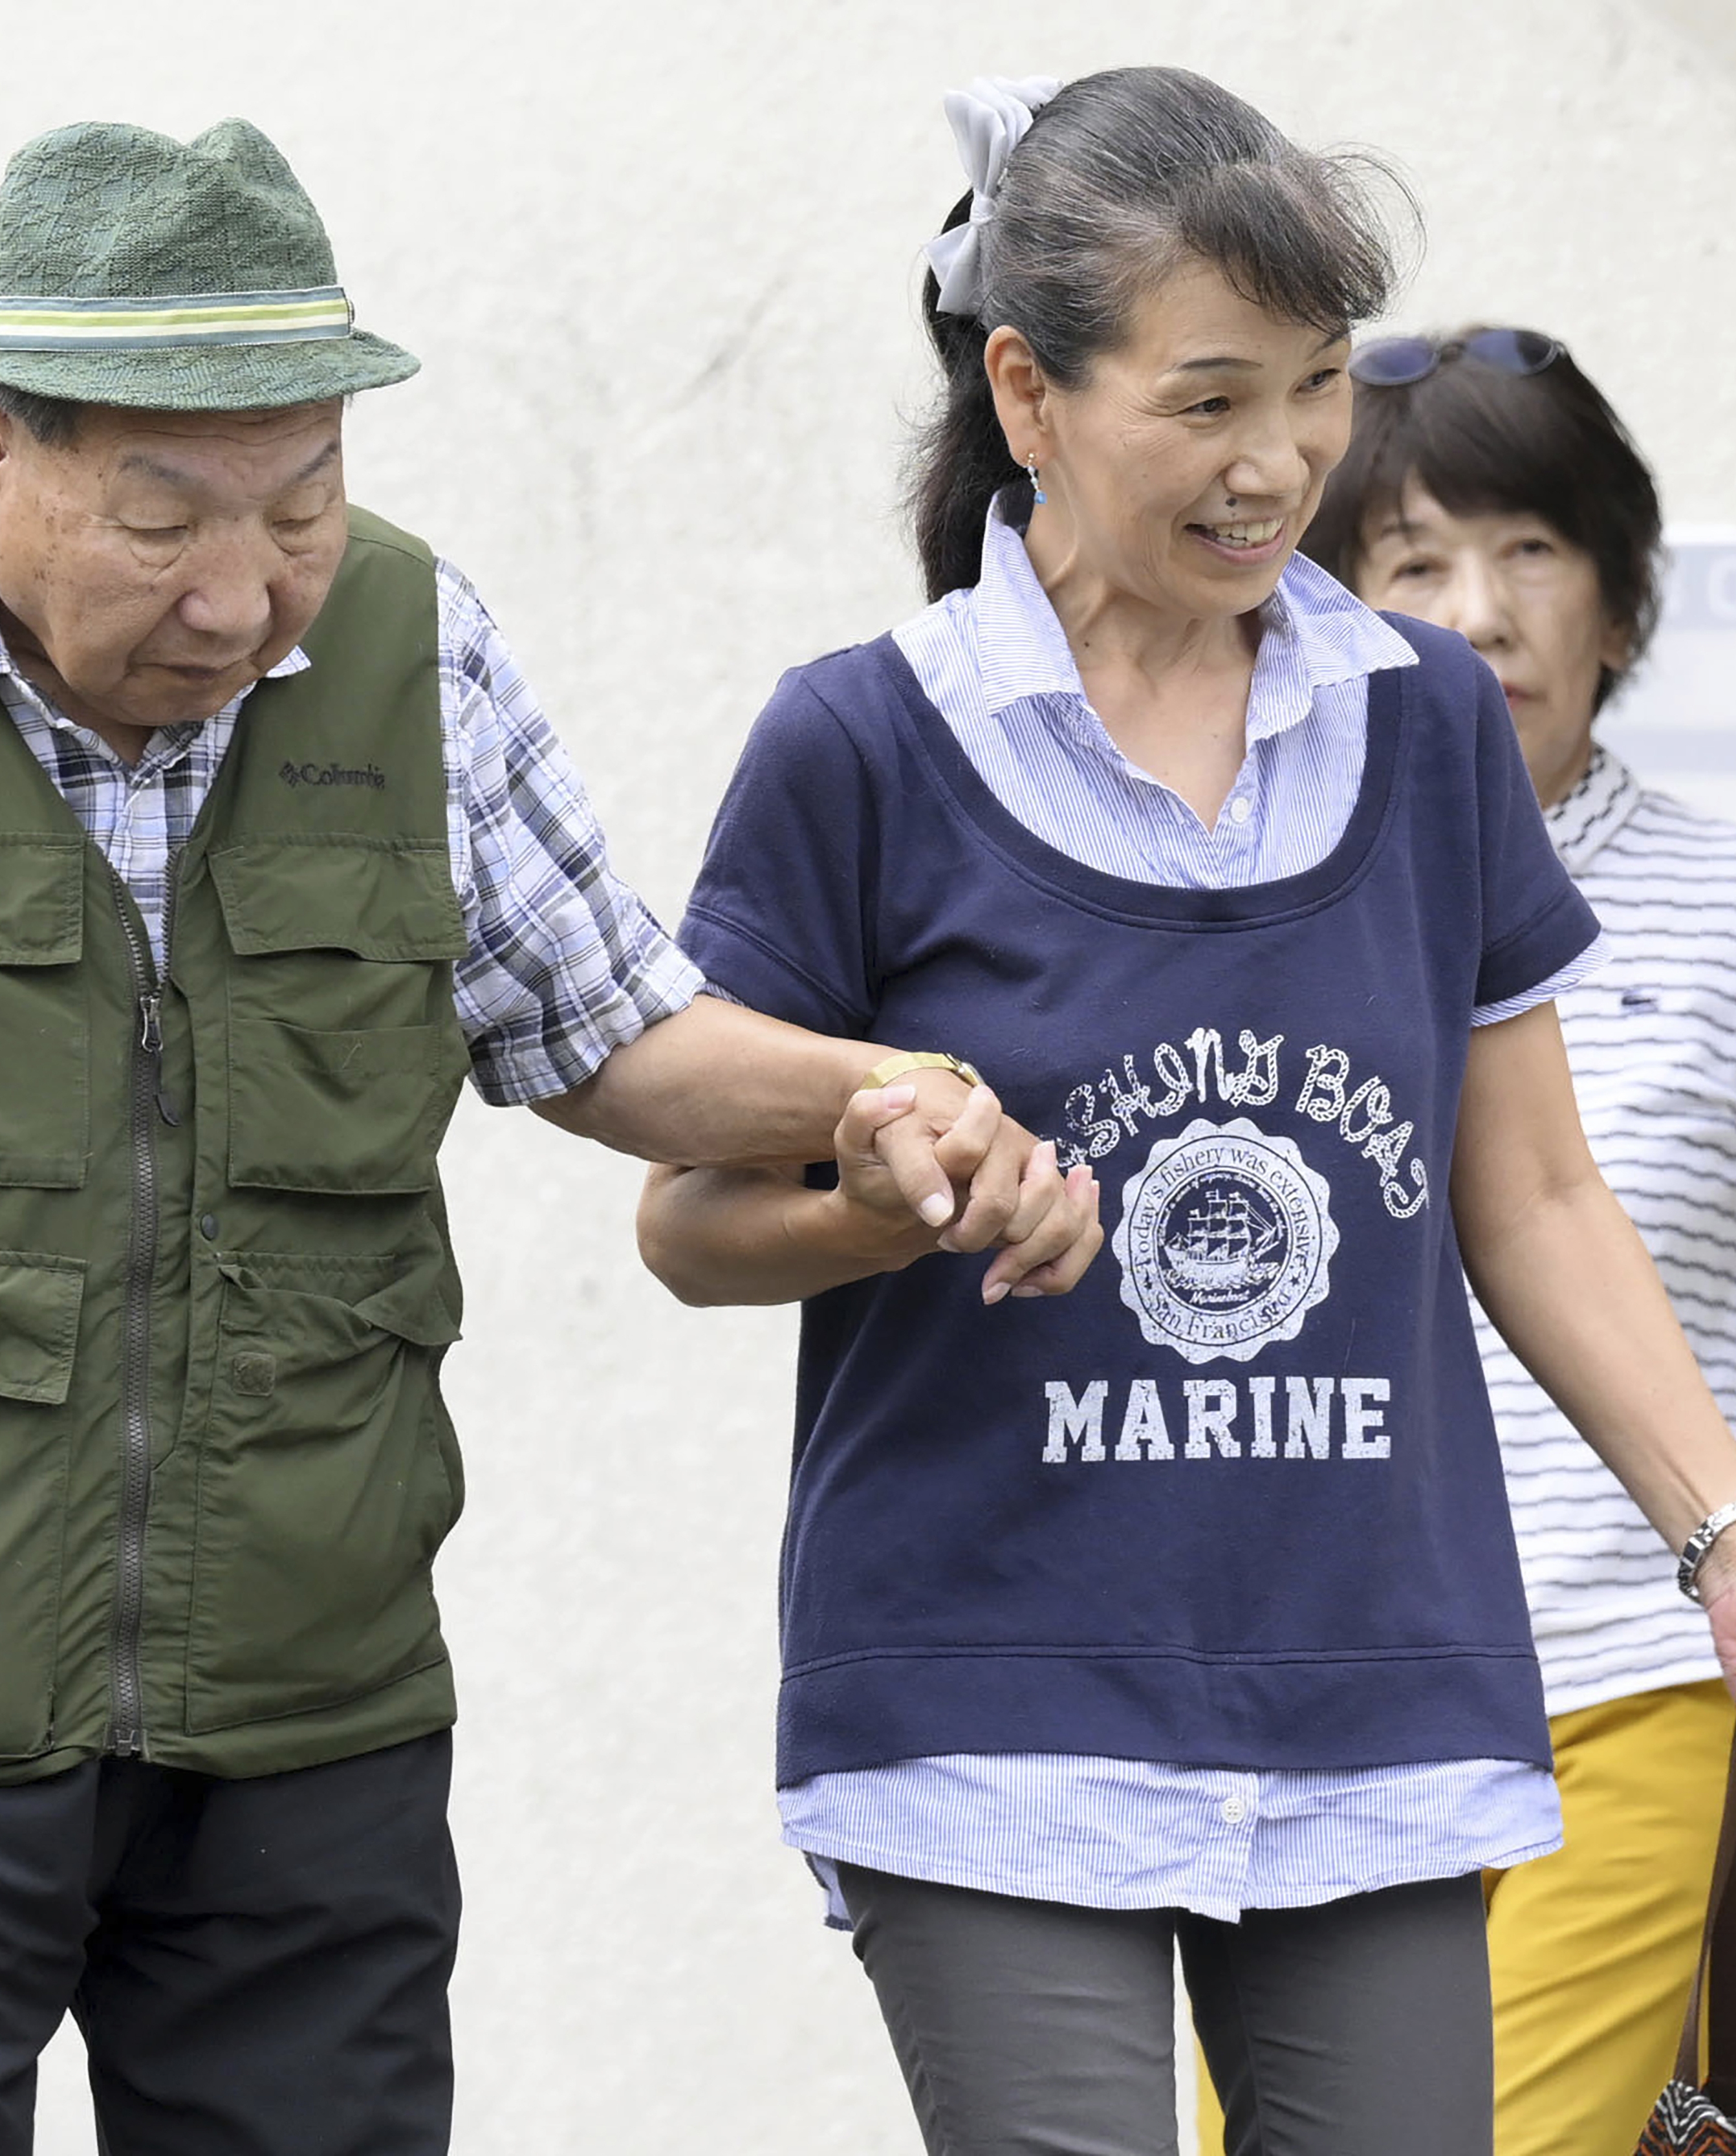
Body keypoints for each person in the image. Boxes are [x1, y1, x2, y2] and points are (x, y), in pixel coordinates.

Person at [0, 117, 1101, 2154]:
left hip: (310, 1686)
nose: (243, 597)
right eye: (163, 520)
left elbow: (612, 1039)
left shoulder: (411, 646)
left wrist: (870, 1096)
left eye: (301, 504)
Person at [636, 69, 1736, 2156]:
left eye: (1315, 390)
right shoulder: (862, 745)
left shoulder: (1423, 737)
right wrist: (889, 1190)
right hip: (987, 1701)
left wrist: (1715, 1527)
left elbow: (1534, 1199)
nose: (1279, 466)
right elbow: (688, 1218)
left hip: (1378, 1689)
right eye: (1208, 399)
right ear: (1028, 392)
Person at [1298, 326, 1731, 2156]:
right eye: (1410, 562)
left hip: (1633, 1684)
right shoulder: (1293, 901)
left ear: (1619, 603)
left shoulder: (1720, 902)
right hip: (1327, 1704)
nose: (1476, 613)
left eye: (1529, 550)